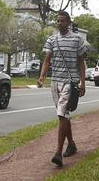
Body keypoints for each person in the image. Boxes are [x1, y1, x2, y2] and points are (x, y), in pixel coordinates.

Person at [38, 9, 91, 167]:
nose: (59, 23)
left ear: (68, 22)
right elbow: (47, 59)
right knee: (64, 115)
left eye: (62, 21)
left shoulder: (77, 40)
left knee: (62, 114)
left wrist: (83, 82)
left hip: (70, 81)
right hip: (55, 82)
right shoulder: (52, 40)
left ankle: (58, 153)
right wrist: (42, 76)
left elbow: (81, 62)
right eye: (58, 21)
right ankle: (72, 144)